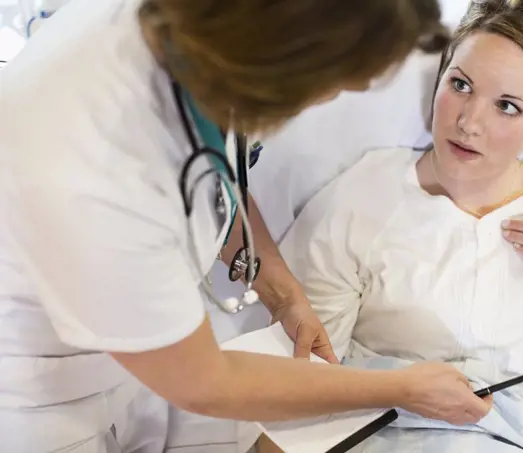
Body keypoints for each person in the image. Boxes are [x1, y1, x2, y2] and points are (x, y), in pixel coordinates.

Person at [0, 0, 496, 452]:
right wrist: (401, 389)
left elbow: (215, 175)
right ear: (276, 62)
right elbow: (204, 383)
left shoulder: (201, 39)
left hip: (142, 362)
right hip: (44, 399)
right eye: (335, 84)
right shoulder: (91, 167)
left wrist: (283, 292)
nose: (331, 100)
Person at [266, 0, 523, 451]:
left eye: (507, 106)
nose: (468, 122)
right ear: (440, 74)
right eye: (460, 84)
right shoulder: (364, 195)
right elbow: (302, 384)